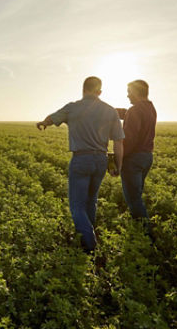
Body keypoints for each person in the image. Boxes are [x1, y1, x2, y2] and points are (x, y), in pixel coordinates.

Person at [37, 76, 124, 252]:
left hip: (81, 159)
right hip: (101, 159)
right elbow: (118, 142)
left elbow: (51, 118)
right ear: (100, 92)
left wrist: (43, 123)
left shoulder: (72, 108)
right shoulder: (110, 111)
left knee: (77, 206)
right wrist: (118, 166)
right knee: (91, 201)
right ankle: (86, 236)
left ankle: (90, 243)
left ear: (83, 90)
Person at [117, 80, 157, 232]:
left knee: (134, 200)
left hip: (133, 160)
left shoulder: (135, 110)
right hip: (146, 157)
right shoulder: (150, 108)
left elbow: (129, 140)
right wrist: (107, 110)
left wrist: (117, 159)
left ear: (136, 92)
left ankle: (146, 233)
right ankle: (138, 227)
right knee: (136, 196)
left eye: (129, 92)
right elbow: (126, 113)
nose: (127, 95)